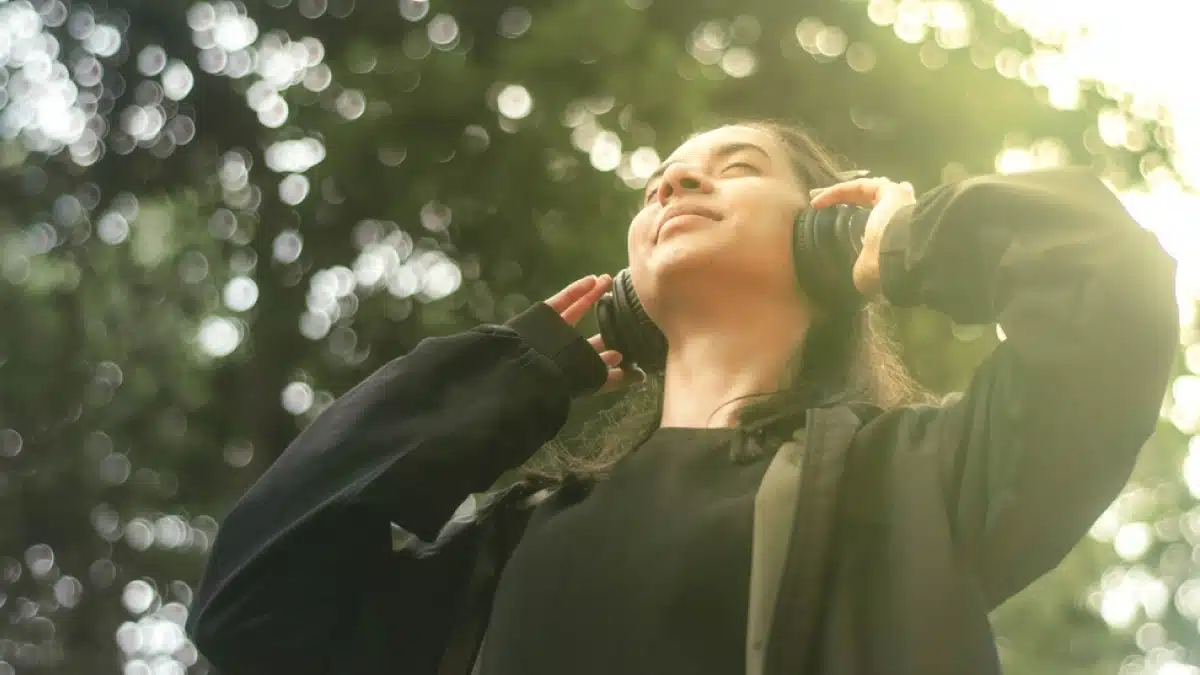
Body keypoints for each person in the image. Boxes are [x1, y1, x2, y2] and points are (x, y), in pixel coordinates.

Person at [184, 121, 1178, 675]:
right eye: (659, 181)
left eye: (735, 167)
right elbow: (257, 604)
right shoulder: (509, 545)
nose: (675, 184)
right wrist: (519, 374)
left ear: (827, 225)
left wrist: (910, 246)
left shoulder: (926, 482)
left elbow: (1105, 294)